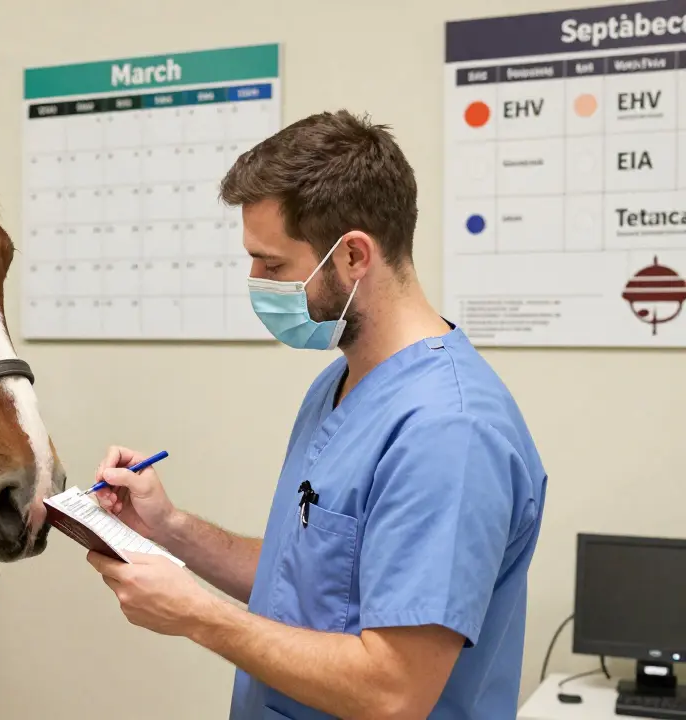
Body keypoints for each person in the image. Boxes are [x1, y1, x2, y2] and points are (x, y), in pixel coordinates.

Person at [85, 110, 548, 720]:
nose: (255, 282)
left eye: (273, 265)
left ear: (354, 254)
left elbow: (394, 691)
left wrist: (196, 615)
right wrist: (169, 527)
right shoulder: (341, 382)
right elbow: (306, 582)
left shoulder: (449, 433)